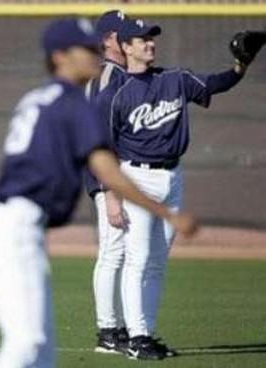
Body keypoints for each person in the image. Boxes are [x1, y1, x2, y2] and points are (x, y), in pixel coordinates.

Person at [0, 18, 198, 368]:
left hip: (14, 222)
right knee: (27, 340)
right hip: (13, 224)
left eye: (96, 46)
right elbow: (108, 171)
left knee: (42, 348)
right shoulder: (74, 104)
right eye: (85, 48)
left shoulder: (40, 97)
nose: (96, 53)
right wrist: (166, 213)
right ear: (60, 56)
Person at [95, 18, 247, 360]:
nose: (150, 43)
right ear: (126, 47)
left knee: (157, 262)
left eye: (152, 38)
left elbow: (216, 84)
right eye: (142, 39)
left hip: (171, 178)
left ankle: (145, 333)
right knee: (137, 259)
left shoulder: (175, 79)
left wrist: (239, 67)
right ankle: (135, 338)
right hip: (134, 178)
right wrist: (110, 195)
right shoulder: (114, 94)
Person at [83, 9, 132, 355]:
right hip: (108, 176)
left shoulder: (119, 74)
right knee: (113, 252)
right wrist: (109, 188)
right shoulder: (108, 75)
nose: (129, 38)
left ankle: (126, 328)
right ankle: (108, 331)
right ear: (108, 41)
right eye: (121, 34)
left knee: (128, 253)